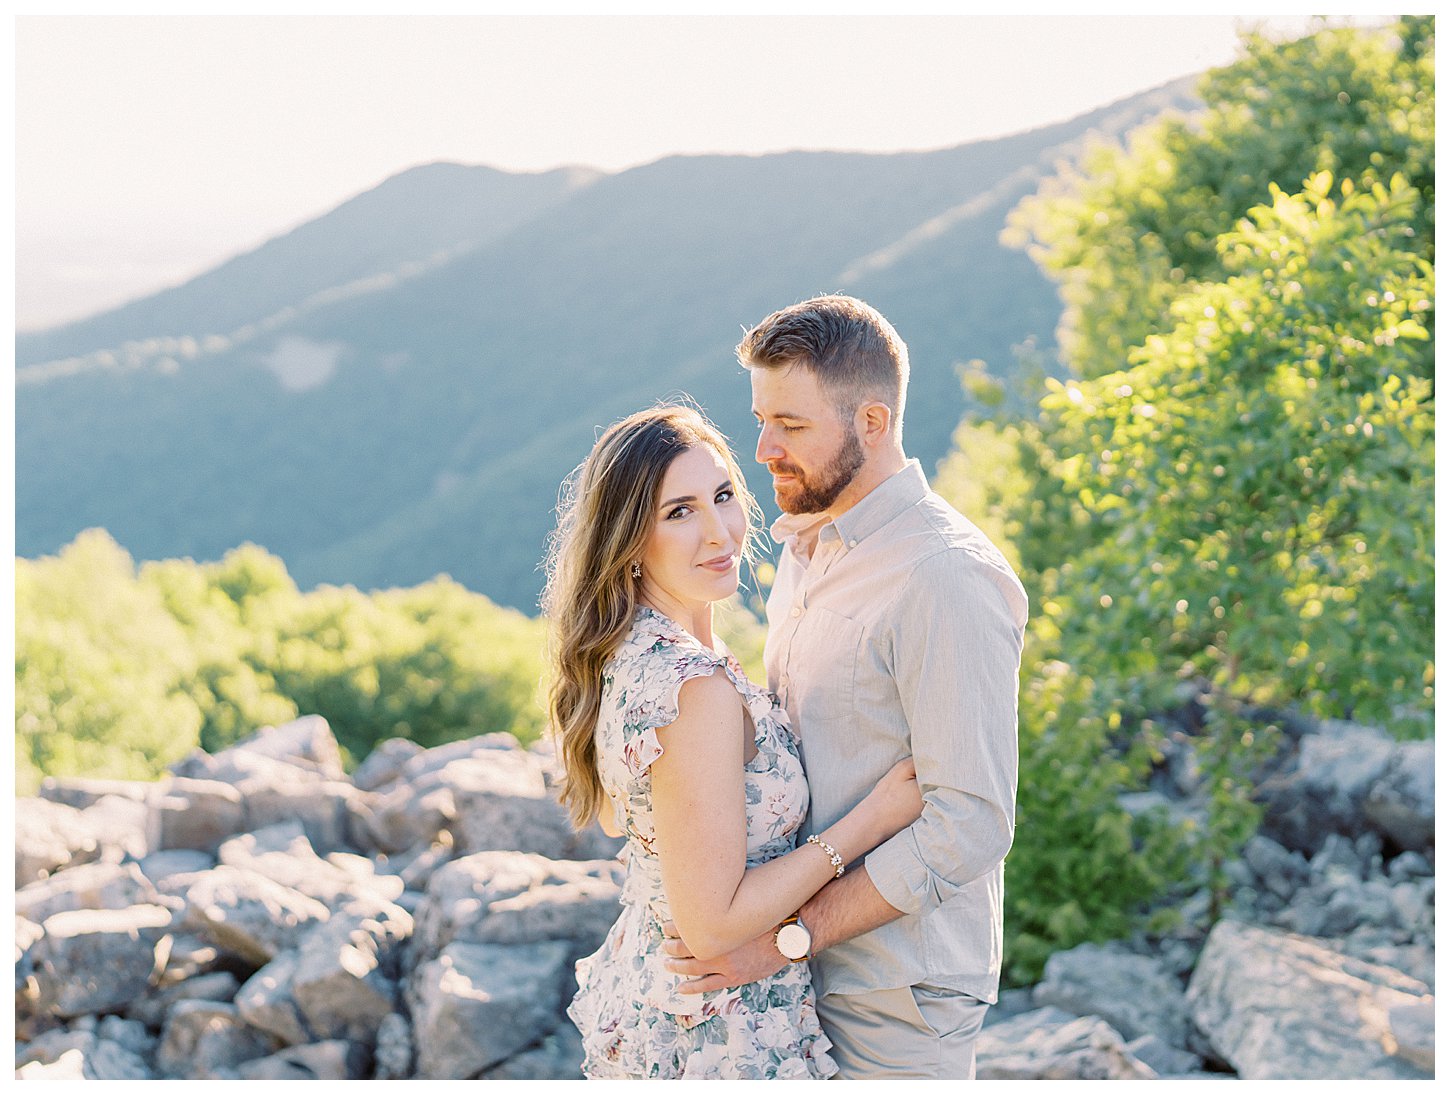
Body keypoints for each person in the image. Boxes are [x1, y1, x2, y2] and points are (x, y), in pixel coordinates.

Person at [663, 296, 1029, 1079]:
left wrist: (791, 935)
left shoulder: (945, 577)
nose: (762, 449)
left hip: (896, 989)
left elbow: (970, 821)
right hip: (789, 973)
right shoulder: (807, 548)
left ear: (872, 421)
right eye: (761, 419)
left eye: (790, 425)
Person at [543, 403, 924, 1080]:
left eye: (722, 496)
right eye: (679, 511)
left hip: (669, 1001)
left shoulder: (636, 653)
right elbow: (714, 924)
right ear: (629, 539)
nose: (719, 532)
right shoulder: (694, 688)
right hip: (717, 1029)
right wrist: (869, 822)